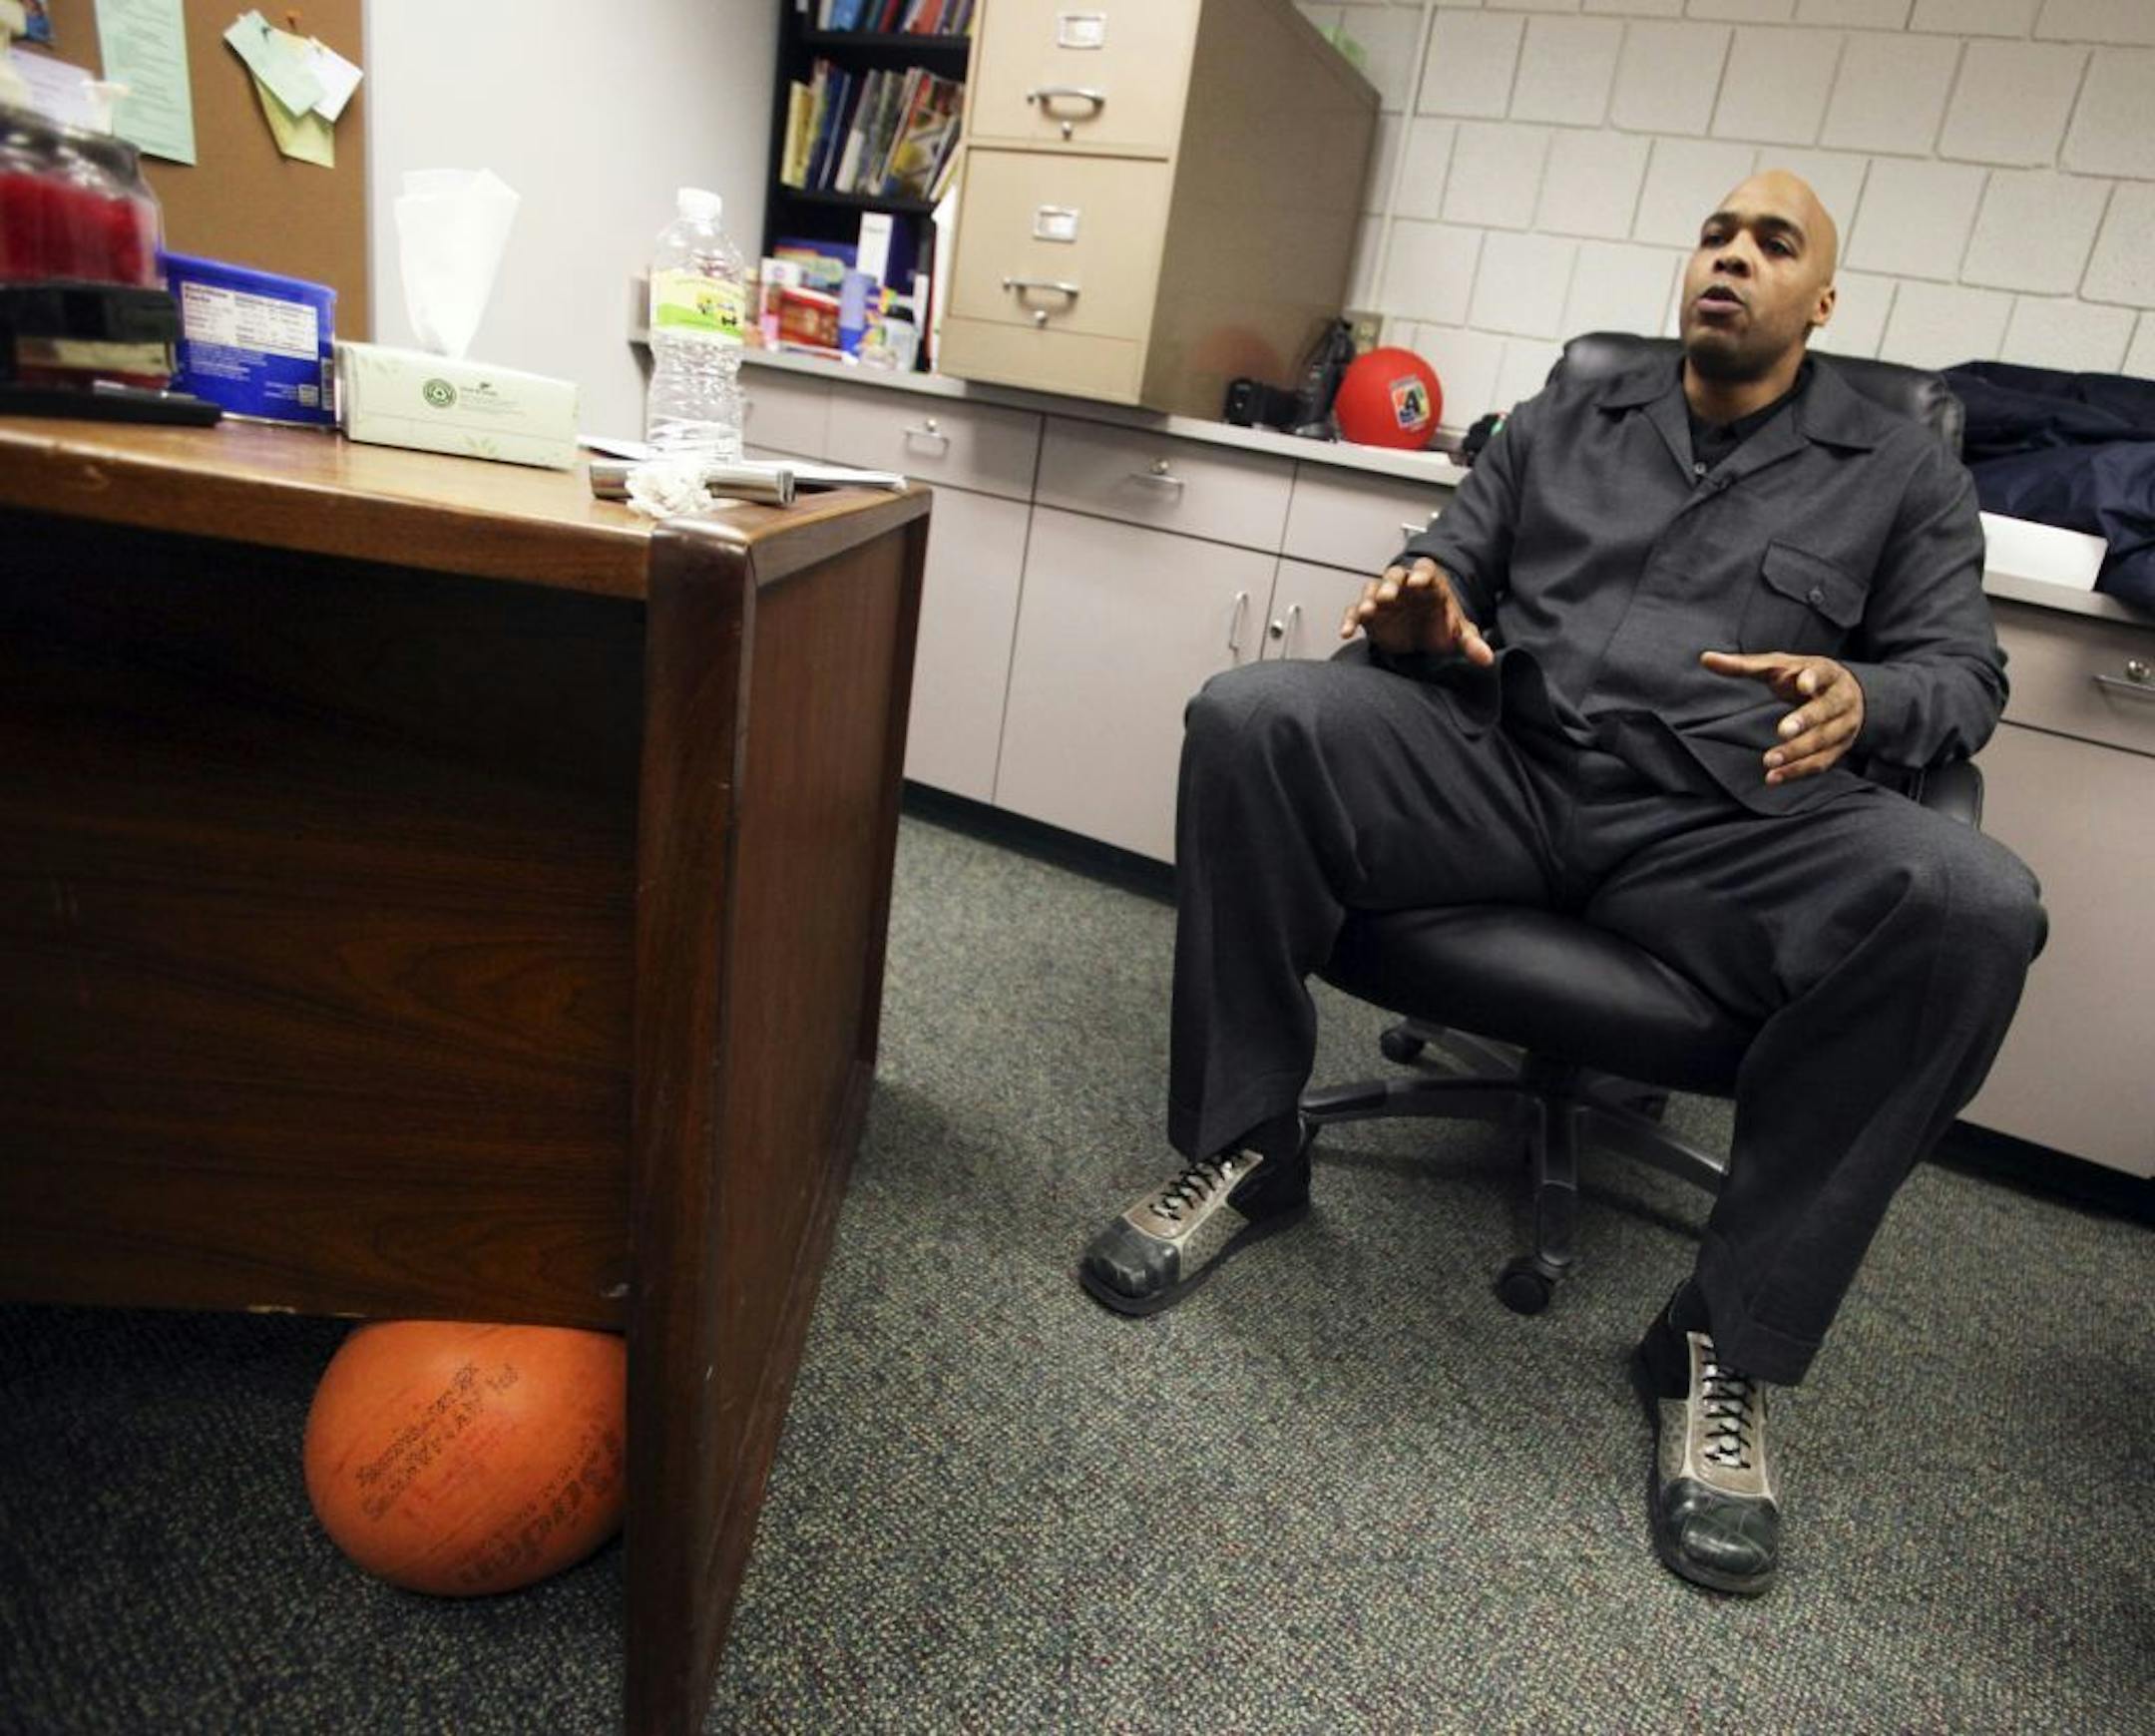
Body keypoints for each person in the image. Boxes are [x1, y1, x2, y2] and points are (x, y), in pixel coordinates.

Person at [1077, 171, 2047, 1596]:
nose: (1732, 257)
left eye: (1773, 244)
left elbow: (1966, 676)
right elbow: (1446, 562)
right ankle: (1249, 1144)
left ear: (1823, 301)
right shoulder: (1566, 416)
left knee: (1976, 905)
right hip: (1509, 772)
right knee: (1254, 714)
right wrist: (1418, 603)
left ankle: (1720, 1339)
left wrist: (1872, 697)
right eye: (1716, 234)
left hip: (1722, 826)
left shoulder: (1901, 472)